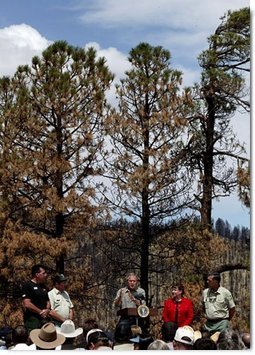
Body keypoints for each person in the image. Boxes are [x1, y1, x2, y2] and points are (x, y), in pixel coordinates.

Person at [113, 273, 146, 342]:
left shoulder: (141, 291)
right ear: (127, 282)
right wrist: (120, 297)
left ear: (137, 282)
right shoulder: (121, 291)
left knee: (135, 339)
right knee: (121, 337)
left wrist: (134, 299)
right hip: (124, 319)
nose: (132, 283)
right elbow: (116, 305)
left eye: (134, 281)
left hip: (136, 319)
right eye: (130, 281)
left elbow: (143, 306)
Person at [21, 264, 51, 331]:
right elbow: (27, 304)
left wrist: (47, 310)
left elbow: (48, 301)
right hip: (33, 320)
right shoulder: (27, 285)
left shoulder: (44, 287)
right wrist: (40, 312)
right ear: (37, 274)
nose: (46, 275)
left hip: (45, 319)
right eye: (44, 273)